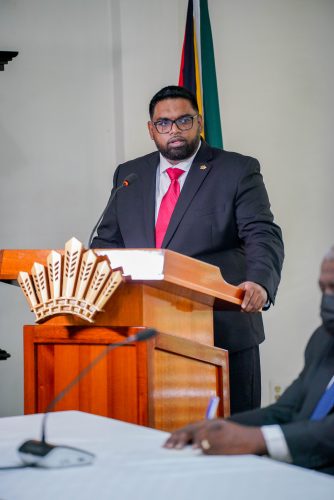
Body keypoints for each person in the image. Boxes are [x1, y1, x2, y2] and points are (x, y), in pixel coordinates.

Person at [90, 85, 284, 413]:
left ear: (199, 122)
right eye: (164, 123)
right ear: (152, 130)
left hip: (221, 329)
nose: (174, 130)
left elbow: (261, 233)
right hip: (147, 330)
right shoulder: (129, 175)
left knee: (232, 438)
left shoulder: (236, 170)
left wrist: (260, 282)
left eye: (184, 120)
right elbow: (108, 241)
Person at [163, 247, 334, 475]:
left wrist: (257, 439)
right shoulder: (323, 340)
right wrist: (220, 427)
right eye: (323, 289)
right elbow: (286, 410)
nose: (327, 299)